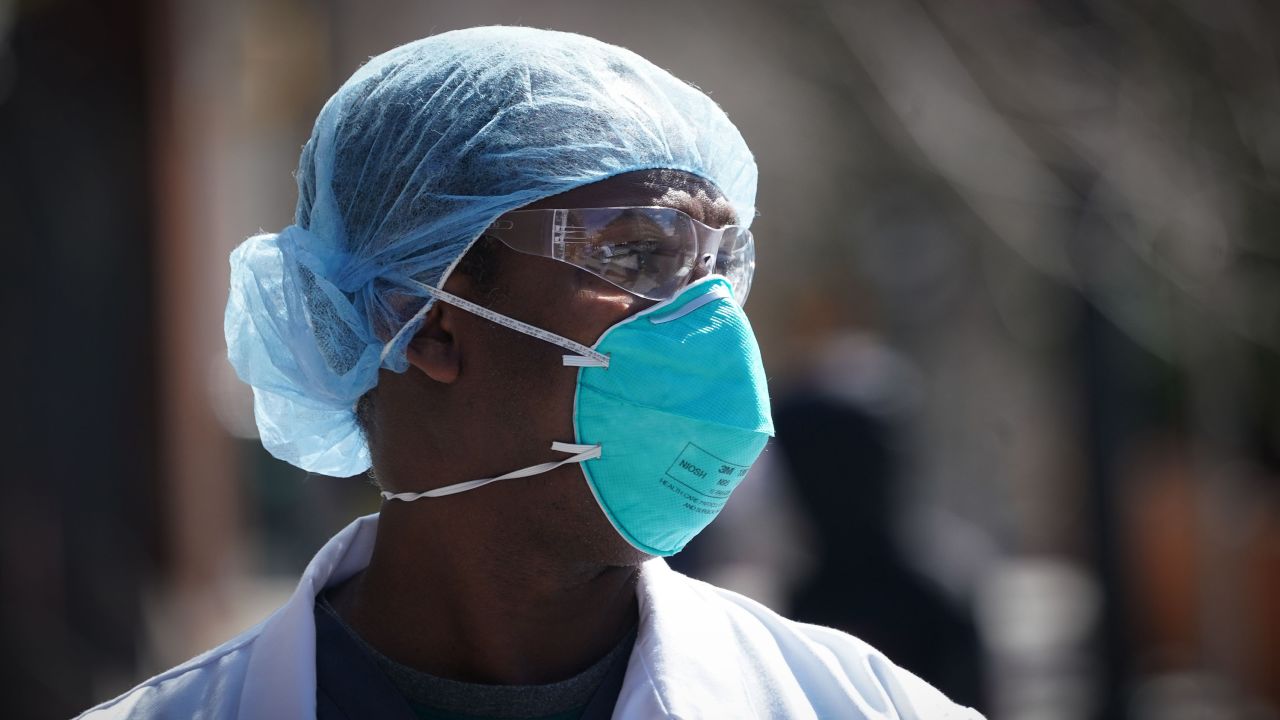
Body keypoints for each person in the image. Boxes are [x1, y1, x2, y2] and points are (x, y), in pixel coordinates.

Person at [80, 26, 984, 719]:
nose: (708, 323)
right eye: (637, 256)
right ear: (425, 316)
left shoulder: (857, 703)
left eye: (720, 269)